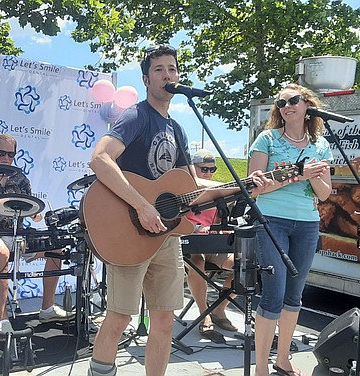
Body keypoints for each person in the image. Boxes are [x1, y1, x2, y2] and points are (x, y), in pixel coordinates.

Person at [87, 45, 270, 376]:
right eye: (159, 70)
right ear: (146, 79)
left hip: (166, 237)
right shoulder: (136, 117)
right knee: (119, 317)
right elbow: (100, 159)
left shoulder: (178, 129)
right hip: (129, 233)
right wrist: (142, 205)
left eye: (172, 69)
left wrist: (243, 185)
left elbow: (191, 186)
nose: (167, 75)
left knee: (164, 318)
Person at [248, 83, 332, 376]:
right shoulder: (267, 139)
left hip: (307, 224)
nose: (286, 106)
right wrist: (298, 174)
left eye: (293, 100)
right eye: (281, 102)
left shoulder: (320, 144)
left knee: (294, 294)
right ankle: (260, 367)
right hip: (272, 220)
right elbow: (253, 188)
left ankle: (282, 359)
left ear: (308, 105)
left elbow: (324, 194)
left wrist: (312, 176)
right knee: (274, 292)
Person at [0, 133, 74, 334]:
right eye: (2, 153)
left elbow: (29, 207)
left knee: (57, 248)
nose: (6, 158)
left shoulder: (20, 178)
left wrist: (36, 216)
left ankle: (47, 308)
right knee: (1, 254)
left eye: (11, 154)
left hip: (17, 234)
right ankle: (2, 319)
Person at [184, 149, 237, 340]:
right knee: (196, 263)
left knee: (243, 266)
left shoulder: (216, 191)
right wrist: (196, 228)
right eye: (203, 169)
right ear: (192, 168)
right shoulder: (184, 191)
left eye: (211, 169)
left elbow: (221, 222)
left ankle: (220, 310)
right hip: (191, 244)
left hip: (214, 243)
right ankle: (204, 313)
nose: (208, 173)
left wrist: (225, 230)